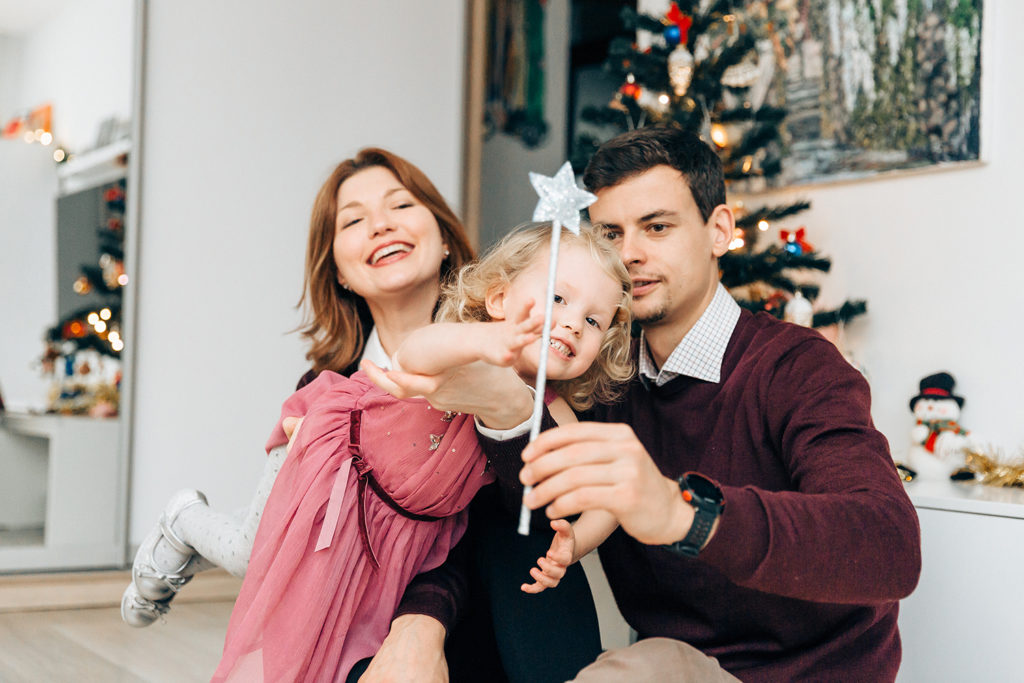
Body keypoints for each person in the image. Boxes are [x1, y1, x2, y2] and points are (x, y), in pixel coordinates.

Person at [366, 127, 923, 682]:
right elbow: (499, 522)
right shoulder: (597, 375)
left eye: (657, 227)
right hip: (672, 663)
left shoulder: (798, 366)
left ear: (719, 231)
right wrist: (421, 622)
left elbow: (890, 545)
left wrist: (682, 512)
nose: (629, 254)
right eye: (610, 233)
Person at [211, 221, 633, 682]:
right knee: (281, 605)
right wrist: (485, 341)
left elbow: (608, 495)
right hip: (338, 472)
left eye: (594, 321)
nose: (572, 323)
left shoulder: (554, 410)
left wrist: (575, 545)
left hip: (403, 528)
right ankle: (187, 523)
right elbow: (414, 354)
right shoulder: (461, 344)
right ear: (498, 300)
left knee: (348, 634)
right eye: (557, 298)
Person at [119, 147, 475, 627]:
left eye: (401, 204)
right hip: (351, 608)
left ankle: (179, 540)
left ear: (445, 236)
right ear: (340, 273)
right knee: (260, 550)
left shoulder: (492, 358)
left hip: (449, 616)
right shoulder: (322, 390)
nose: (381, 225)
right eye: (354, 220)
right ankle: (182, 519)